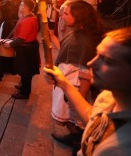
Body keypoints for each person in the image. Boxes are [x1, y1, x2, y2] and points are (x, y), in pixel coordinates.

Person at [44, 27, 131, 156]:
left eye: (107, 61)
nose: (90, 63)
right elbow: (94, 120)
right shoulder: (109, 96)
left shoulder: (122, 147)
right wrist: (64, 84)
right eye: (97, 54)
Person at [50, 0, 104, 153]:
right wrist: (51, 39)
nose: (63, 16)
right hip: (66, 80)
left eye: (66, 14)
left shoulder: (85, 39)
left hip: (75, 85)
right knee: (68, 118)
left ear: (79, 17)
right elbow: (66, 52)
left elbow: (86, 71)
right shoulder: (77, 33)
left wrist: (80, 96)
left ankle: (78, 143)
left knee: (74, 117)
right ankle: (74, 137)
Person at [4, 0, 39, 99]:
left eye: (21, 5)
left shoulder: (29, 20)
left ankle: (24, 93)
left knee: (26, 71)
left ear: (26, 7)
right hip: (25, 48)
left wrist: (10, 45)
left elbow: (22, 37)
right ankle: (23, 86)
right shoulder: (27, 17)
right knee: (24, 71)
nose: (19, 6)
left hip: (26, 50)